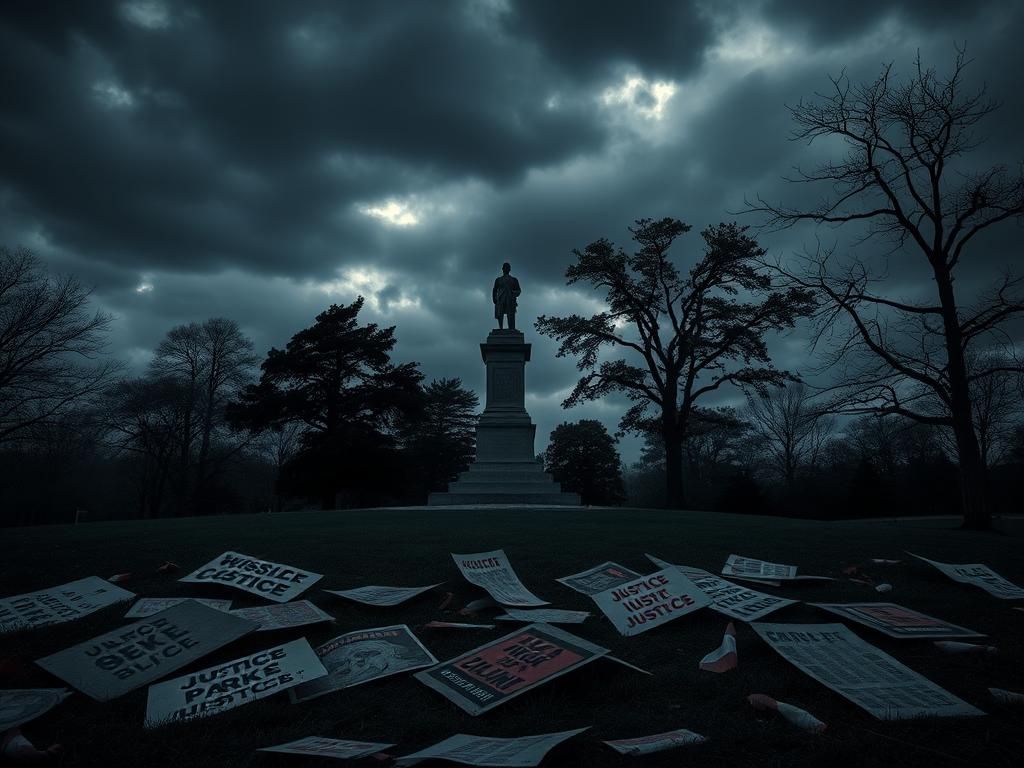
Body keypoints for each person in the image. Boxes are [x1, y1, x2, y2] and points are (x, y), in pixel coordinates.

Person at [492, 262, 521, 330]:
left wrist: (513, 293)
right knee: (500, 313)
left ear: (509, 269)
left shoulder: (514, 280)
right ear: (502, 269)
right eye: (505, 267)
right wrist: (494, 298)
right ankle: (500, 328)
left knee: (510, 314)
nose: (506, 269)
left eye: (508, 267)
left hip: (510, 299)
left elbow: (518, 290)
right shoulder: (498, 280)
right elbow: (494, 290)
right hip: (500, 298)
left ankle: (511, 328)